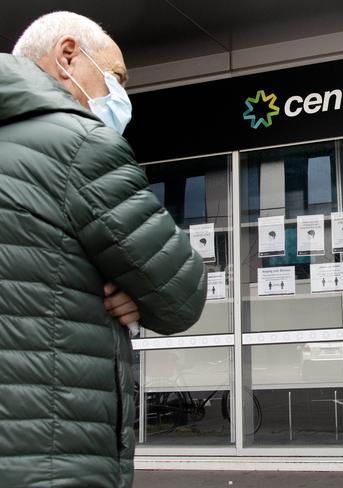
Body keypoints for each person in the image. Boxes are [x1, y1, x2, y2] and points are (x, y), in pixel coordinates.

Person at [0, 11, 207, 488]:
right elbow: (181, 295)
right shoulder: (79, 146)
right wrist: (135, 289)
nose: (120, 97)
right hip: (49, 454)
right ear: (68, 54)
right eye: (114, 77)